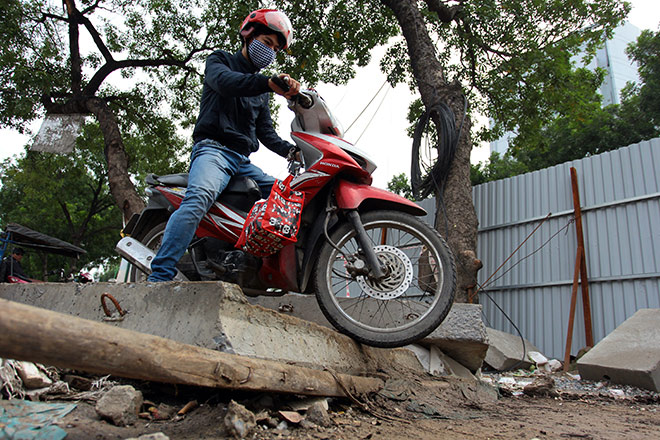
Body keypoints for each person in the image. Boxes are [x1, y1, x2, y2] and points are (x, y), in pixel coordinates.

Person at [148, 8, 301, 282]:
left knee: (288, 196)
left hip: (241, 163)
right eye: (267, 43)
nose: (270, 52)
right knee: (198, 199)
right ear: (248, 35)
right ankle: (159, 275)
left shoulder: (261, 94)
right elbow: (226, 83)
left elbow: (266, 133)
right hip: (213, 151)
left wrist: (294, 150)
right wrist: (266, 83)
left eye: (275, 50)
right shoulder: (220, 61)